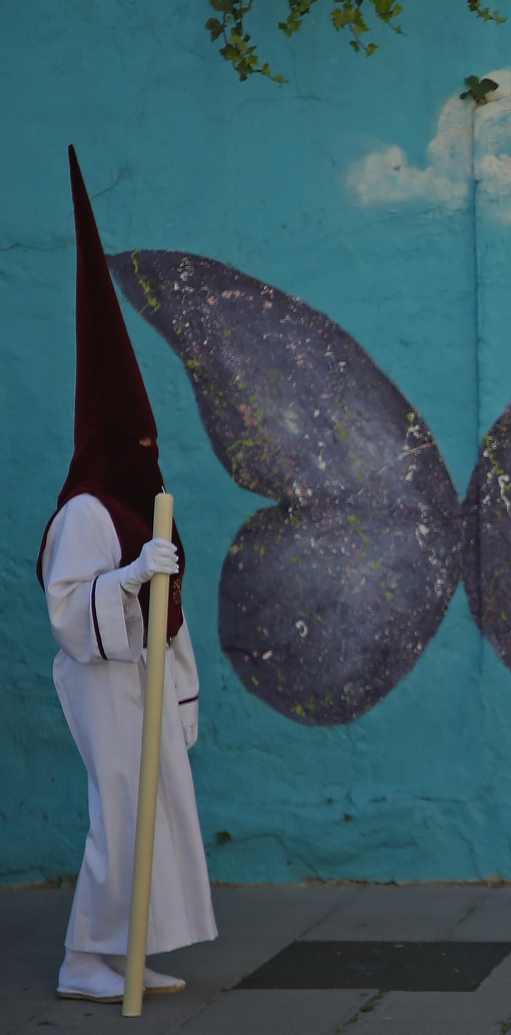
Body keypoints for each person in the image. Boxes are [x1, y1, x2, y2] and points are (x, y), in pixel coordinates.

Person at [39, 148, 216, 1003]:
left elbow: (167, 612)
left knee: (152, 816)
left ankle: (127, 950)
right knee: (119, 817)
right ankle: (85, 958)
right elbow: (70, 612)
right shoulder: (84, 514)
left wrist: (160, 579)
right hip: (103, 683)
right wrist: (131, 578)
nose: (148, 454)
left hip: (138, 680)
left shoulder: (134, 509)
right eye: (136, 444)